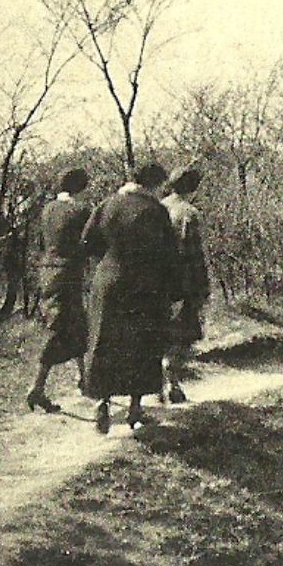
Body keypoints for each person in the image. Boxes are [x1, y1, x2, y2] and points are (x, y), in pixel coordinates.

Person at [82, 162, 177, 434]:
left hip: (108, 281)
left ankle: (102, 403)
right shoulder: (155, 210)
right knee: (141, 345)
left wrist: (109, 260)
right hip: (143, 285)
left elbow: (87, 241)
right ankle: (135, 410)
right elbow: (169, 252)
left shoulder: (107, 204)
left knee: (105, 341)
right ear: (153, 184)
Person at [26, 167, 93, 413]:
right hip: (69, 275)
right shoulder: (82, 210)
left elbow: (42, 244)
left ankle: (84, 380)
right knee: (61, 330)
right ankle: (37, 388)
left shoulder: (47, 210)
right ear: (80, 186)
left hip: (48, 273)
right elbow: (90, 243)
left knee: (76, 325)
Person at [160, 166, 209, 405]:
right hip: (182, 280)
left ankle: (160, 384)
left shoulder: (158, 207)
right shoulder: (189, 213)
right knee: (182, 334)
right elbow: (194, 252)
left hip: (155, 280)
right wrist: (202, 285)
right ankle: (172, 381)